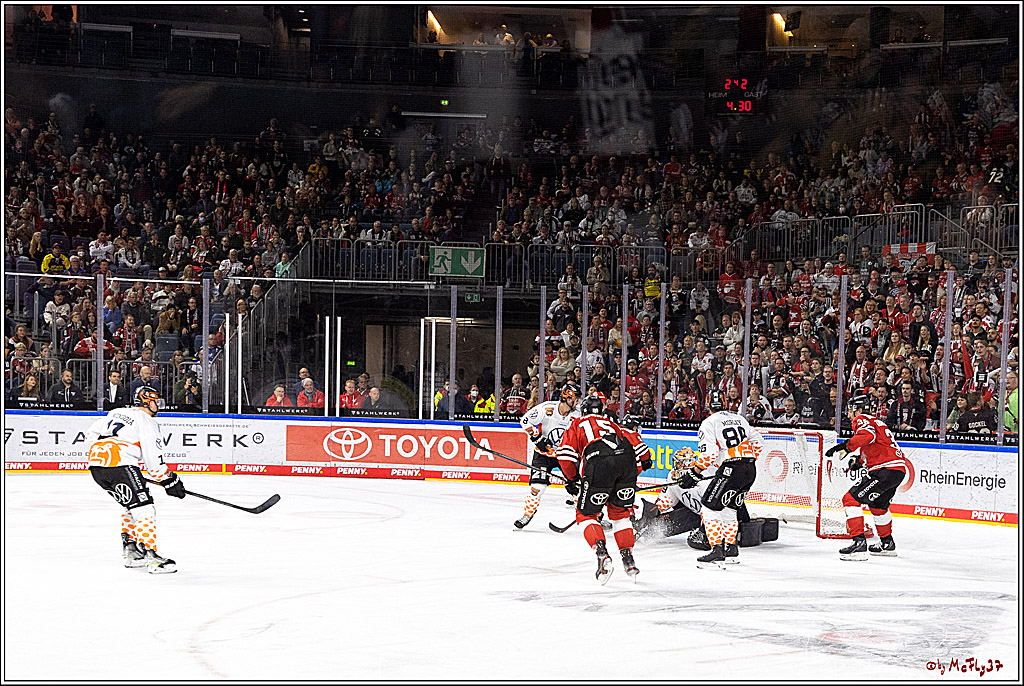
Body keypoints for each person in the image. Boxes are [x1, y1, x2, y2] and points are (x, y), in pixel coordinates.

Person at [85, 386, 183, 573]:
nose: (158, 405)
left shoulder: (117, 412)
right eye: (155, 401)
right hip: (120, 464)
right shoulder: (146, 421)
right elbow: (154, 459)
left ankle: (131, 552)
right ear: (146, 401)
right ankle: (152, 557)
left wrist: (116, 457)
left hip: (97, 466)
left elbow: (90, 437)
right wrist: (170, 480)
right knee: (145, 507)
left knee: (132, 505)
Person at [555, 395, 652, 583]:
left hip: (598, 463)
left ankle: (602, 554)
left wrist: (572, 479)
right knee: (620, 514)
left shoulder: (577, 423)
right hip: (625, 463)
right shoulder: (612, 423)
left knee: (585, 515)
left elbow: (566, 455)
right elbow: (639, 451)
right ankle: (628, 559)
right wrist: (626, 477)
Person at [670, 389, 765, 568]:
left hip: (731, 469)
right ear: (724, 402)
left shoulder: (708, 422)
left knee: (709, 508)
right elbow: (758, 441)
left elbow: (709, 455)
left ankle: (717, 550)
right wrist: (746, 459)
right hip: (750, 469)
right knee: (730, 509)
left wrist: (694, 472)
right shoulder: (739, 418)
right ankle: (731, 549)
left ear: (707, 404)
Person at [825, 393, 909, 561]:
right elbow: (874, 444)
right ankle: (887, 544)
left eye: (850, 411)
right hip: (897, 470)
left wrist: (846, 447)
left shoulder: (862, 419)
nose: (849, 415)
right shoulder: (878, 423)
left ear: (860, 410)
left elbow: (867, 436)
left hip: (884, 470)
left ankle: (858, 544)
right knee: (878, 506)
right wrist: (859, 460)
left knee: (850, 500)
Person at [513, 383, 582, 530]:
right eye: (575, 399)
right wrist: (537, 438)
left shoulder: (578, 414)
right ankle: (528, 514)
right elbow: (525, 421)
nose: (577, 402)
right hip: (543, 454)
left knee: (577, 487)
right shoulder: (547, 408)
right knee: (537, 487)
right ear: (567, 398)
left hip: (565, 455)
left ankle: (593, 516)